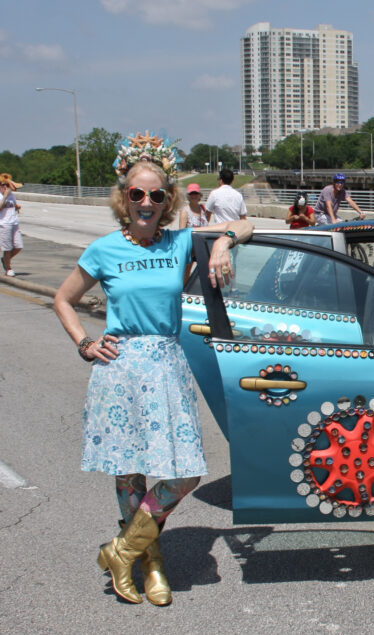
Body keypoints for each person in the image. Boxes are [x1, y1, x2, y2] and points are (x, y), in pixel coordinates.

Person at [52, 133, 253, 606]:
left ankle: (122, 549)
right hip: (120, 368)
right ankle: (149, 562)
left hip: (167, 362)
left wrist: (221, 242)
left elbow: (245, 224)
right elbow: (63, 298)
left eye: (157, 195)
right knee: (129, 471)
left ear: (169, 201)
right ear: (124, 198)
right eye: (137, 194)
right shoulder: (104, 249)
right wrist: (85, 342)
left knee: (184, 473)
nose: (146, 202)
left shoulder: (182, 241)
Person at [0, 172, 23, 276]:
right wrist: (4, 197)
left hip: (14, 222)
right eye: (3, 184)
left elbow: (12, 204)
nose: (5, 186)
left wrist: (16, 206)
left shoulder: (11, 195)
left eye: (6, 185)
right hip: (4, 224)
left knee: (18, 246)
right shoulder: (2, 196)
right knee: (7, 248)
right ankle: (8, 269)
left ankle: (5, 260)